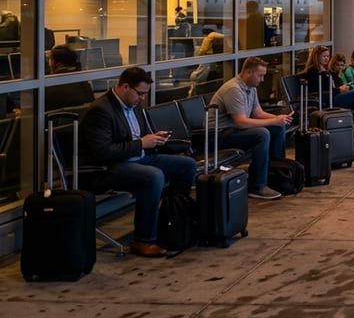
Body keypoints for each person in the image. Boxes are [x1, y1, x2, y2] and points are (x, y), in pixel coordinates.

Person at [79, 66, 198, 257]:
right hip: (108, 168)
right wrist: (141, 143)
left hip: (139, 157)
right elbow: (102, 152)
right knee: (153, 176)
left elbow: (137, 136)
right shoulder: (100, 111)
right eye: (140, 93)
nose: (142, 98)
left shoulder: (134, 105)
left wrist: (153, 139)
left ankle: (172, 218)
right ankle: (144, 239)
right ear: (125, 87)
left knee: (187, 166)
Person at [210, 57, 292, 199]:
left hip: (234, 131)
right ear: (248, 72)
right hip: (219, 135)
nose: (262, 80)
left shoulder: (250, 88)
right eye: (260, 75)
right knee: (262, 134)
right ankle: (257, 185)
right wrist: (273, 121)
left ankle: (277, 173)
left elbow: (258, 113)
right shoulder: (233, 89)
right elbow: (241, 122)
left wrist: (279, 119)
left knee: (277, 128)